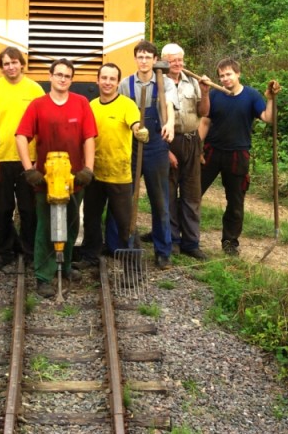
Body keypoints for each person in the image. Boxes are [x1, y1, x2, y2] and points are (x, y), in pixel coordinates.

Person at [15, 59, 97, 299]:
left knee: (71, 223)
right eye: (59, 74)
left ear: (72, 79)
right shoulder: (38, 105)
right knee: (46, 226)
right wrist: (29, 169)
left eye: (67, 76)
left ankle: (66, 265)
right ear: (50, 76)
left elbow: (89, 138)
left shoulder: (81, 103)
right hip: (45, 179)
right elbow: (21, 136)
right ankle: (43, 275)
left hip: (75, 178)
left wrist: (88, 169)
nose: (63, 79)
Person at [199, 57, 280, 257]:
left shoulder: (251, 96)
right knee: (192, 194)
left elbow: (268, 118)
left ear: (238, 74)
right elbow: (205, 122)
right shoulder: (215, 94)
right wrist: (197, 149)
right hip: (211, 151)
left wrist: (270, 98)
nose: (225, 79)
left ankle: (230, 242)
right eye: (221, 76)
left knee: (235, 201)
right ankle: (183, 235)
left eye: (228, 74)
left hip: (238, 154)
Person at [109, 40, 177, 268]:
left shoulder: (165, 83)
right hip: (130, 145)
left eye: (148, 56)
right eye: (140, 56)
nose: (144, 60)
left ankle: (163, 251)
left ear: (155, 59)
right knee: (121, 195)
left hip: (156, 145)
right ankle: (117, 245)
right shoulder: (126, 84)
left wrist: (170, 124)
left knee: (160, 200)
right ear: (135, 58)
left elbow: (170, 106)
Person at [0, 46, 45, 269]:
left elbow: (42, 125)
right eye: (6, 64)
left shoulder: (35, 90)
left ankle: (30, 251)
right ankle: (4, 251)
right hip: (2, 158)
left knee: (28, 208)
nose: (11, 67)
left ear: (22, 64)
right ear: (1, 67)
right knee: (3, 208)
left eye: (14, 62)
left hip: (29, 159)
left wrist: (38, 160)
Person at [77, 63, 147, 266]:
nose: (107, 82)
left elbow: (135, 124)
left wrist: (139, 130)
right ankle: (91, 256)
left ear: (118, 82)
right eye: (104, 78)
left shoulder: (127, 105)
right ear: (97, 80)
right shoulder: (91, 106)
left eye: (112, 79)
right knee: (91, 218)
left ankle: (133, 264)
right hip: (95, 174)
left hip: (119, 174)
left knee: (126, 222)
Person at [161, 43, 209, 260]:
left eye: (180, 60)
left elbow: (204, 111)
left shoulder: (193, 82)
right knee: (168, 194)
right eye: (172, 60)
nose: (177, 64)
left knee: (192, 194)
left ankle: (191, 242)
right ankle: (171, 241)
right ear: (164, 61)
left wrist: (206, 92)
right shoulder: (159, 84)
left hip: (192, 140)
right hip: (168, 141)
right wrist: (165, 150)